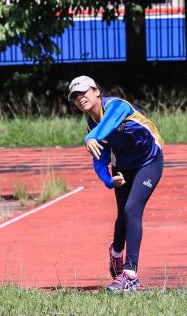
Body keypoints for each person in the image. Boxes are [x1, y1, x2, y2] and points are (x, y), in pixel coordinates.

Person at [68, 75, 164, 293]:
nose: (80, 98)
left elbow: (109, 123)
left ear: (96, 92)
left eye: (83, 92)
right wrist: (108, 180)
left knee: (132, 209)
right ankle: (116, 252)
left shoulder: (116, 106)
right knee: (123, 214)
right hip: (122, 166)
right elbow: (100, 158)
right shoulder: (92, 125)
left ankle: (130, 275)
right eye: (75, 97)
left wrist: (90, 137)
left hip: (149, 161)